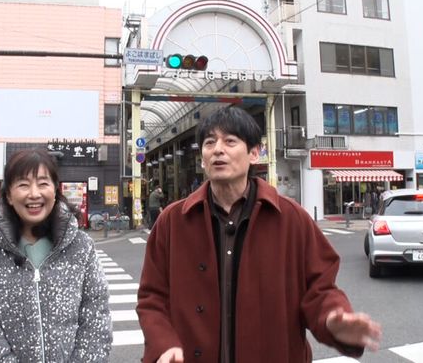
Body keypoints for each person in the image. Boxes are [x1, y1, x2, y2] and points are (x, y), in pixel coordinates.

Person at [136, 106, 381, 363]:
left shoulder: (292, 219)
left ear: (254, 153)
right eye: (209, 143)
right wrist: (163, 344)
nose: (217, 149)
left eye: (230, 141)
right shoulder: (173, 221)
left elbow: (319, 290)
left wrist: (333, 319)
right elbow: (152, 297)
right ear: (202, 159)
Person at [0, 149, 112, 362]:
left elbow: (96, 317)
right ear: (9, 195)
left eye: (43, 183)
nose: (34, 194)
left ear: (55, 190)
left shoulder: (81, 246)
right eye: (23, 185)